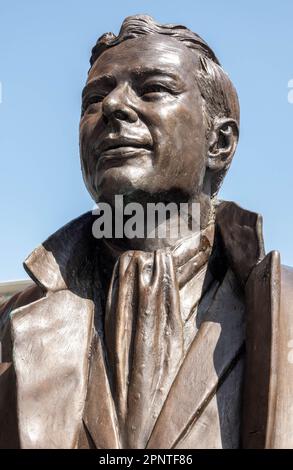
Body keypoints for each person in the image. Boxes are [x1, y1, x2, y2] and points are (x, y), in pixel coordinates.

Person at [0, 15, 292, 449]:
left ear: (220, 143)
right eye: (94, 99)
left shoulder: (282, 306)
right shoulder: (12, 326)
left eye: (153, 88)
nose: (113, 107)